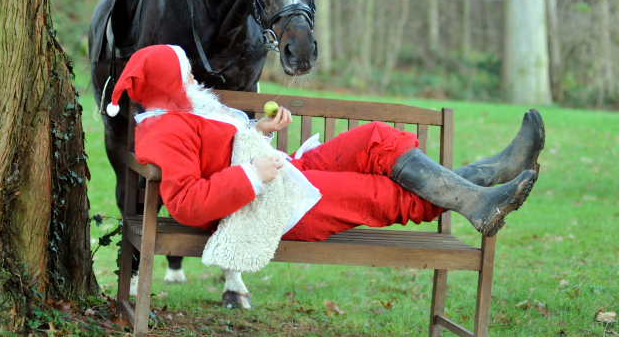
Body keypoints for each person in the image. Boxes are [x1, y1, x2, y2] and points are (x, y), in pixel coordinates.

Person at [106, 45, 544, 240]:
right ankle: (486, 181)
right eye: (183, 73)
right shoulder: (163, 132)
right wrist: (252, 175)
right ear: (167, 84)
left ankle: (484, 189)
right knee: (381, 194)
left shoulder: (186, 114)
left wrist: (259, 132)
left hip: (284, 170)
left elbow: (215, 148)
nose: (191, 78)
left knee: (376, 137)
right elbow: (185, 202)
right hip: (269, 206)